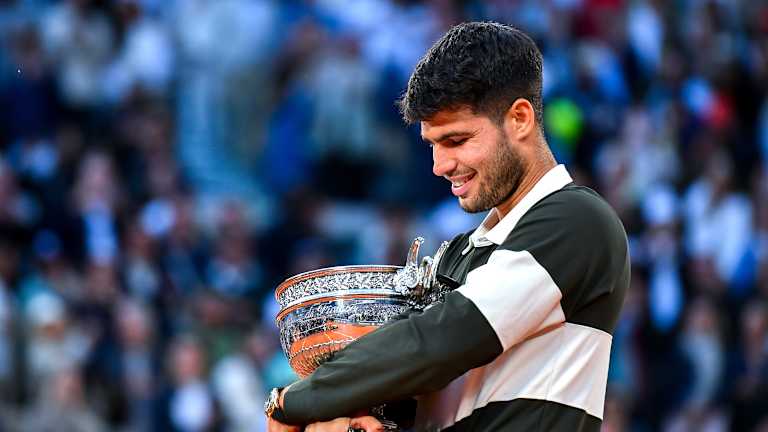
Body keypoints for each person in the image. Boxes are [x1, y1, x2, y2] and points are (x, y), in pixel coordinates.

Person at [265, 21, 630, 432]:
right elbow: (419, 377)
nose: (440, 166)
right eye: (432, 145)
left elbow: (441, 341)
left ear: (520, 119)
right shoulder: (459, 252)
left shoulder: (576, 221)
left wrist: (295, 401)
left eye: (456, 140)